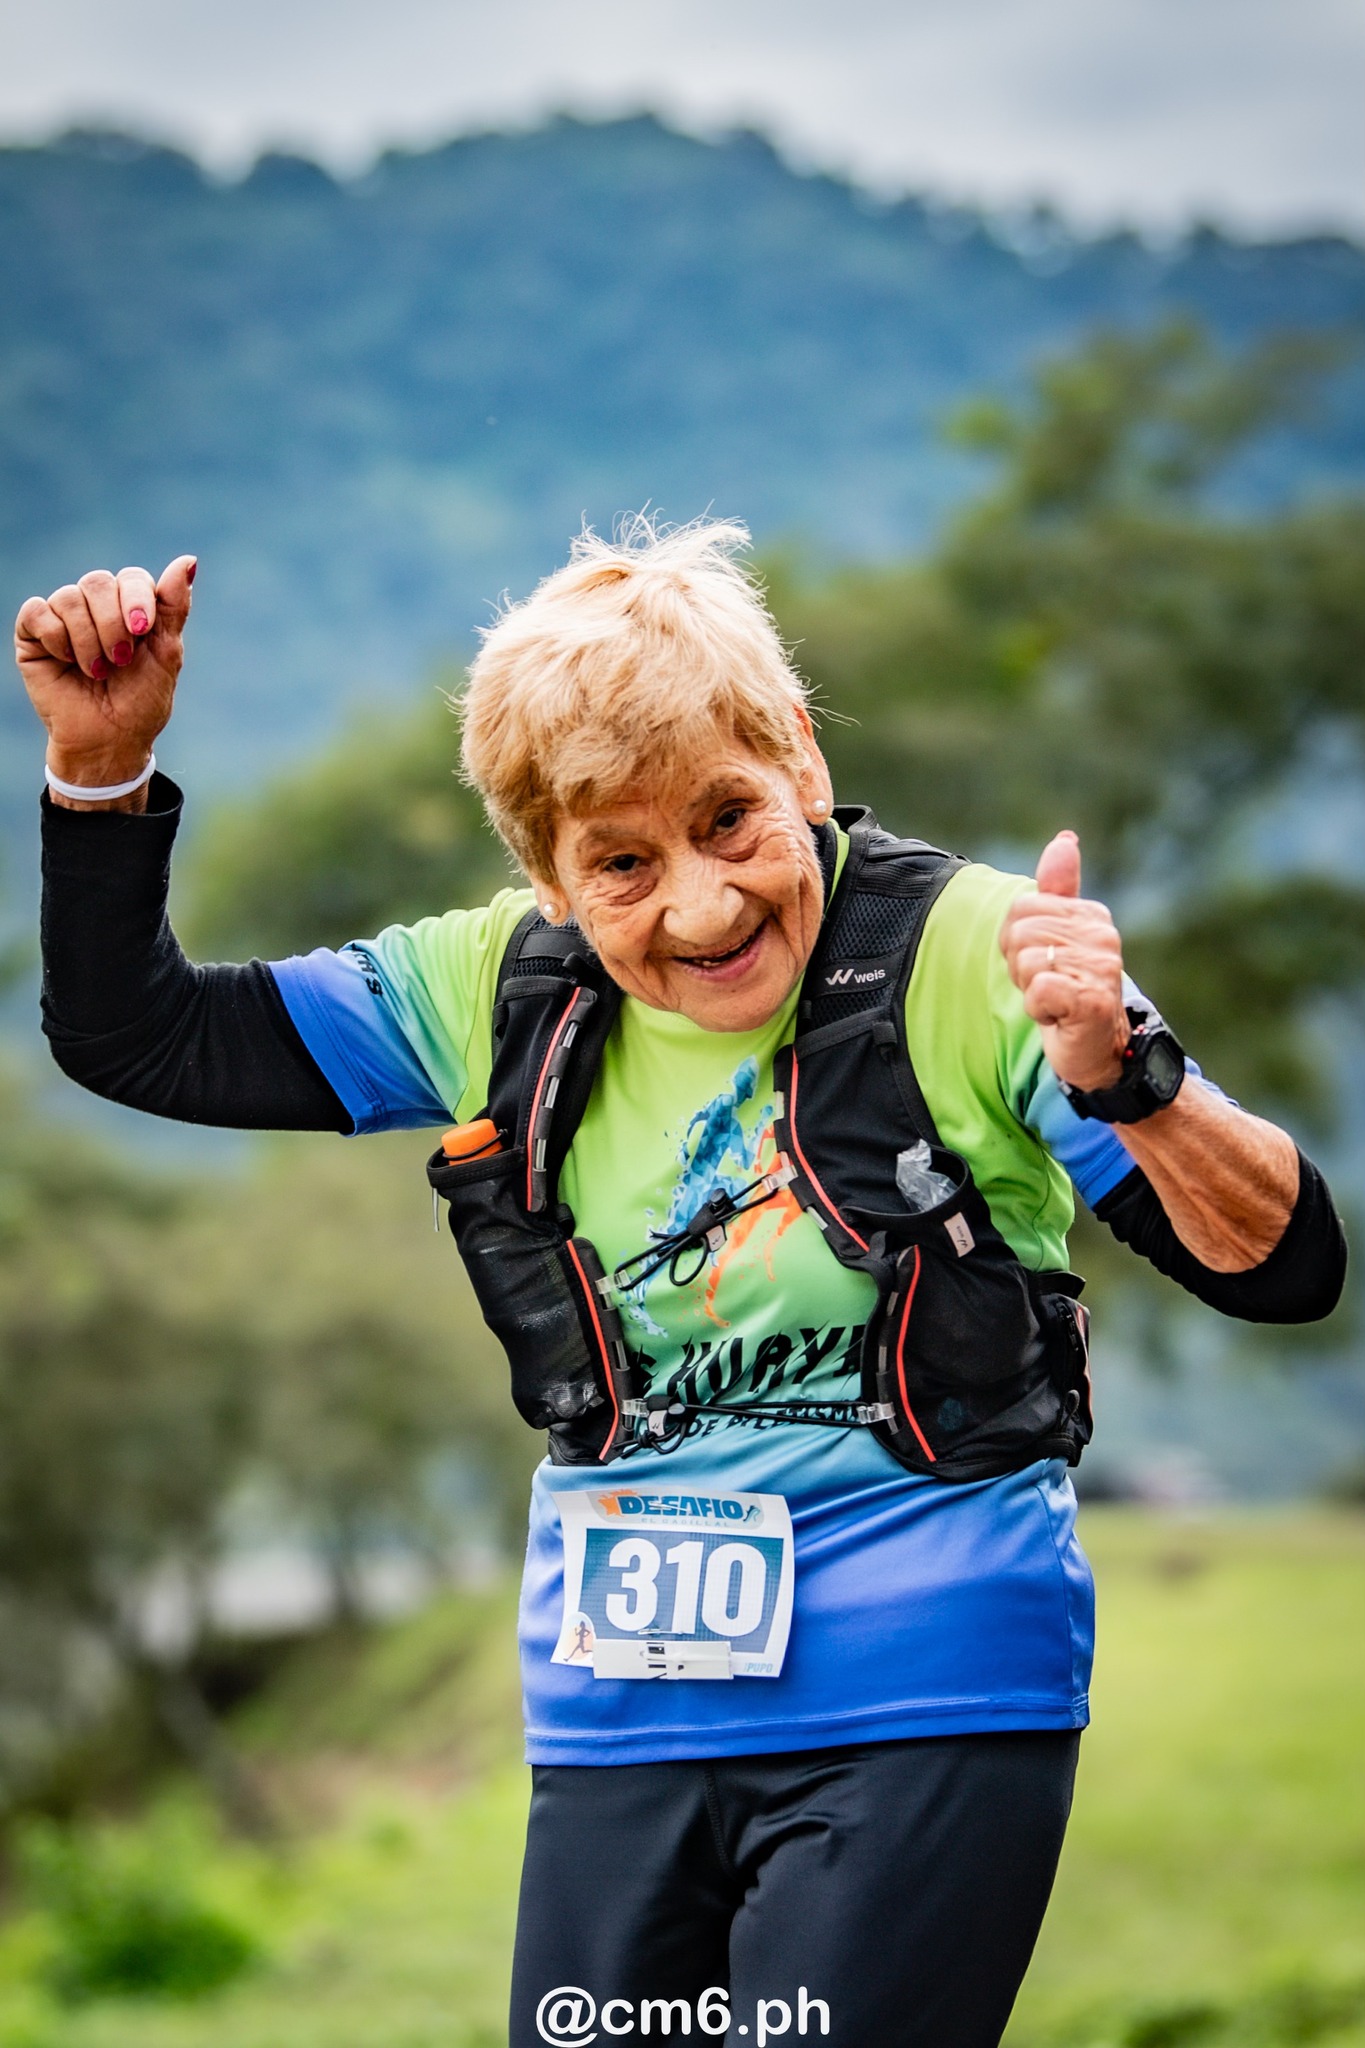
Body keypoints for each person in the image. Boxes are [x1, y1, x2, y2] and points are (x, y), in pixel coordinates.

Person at [17, 522, 1345, 2048]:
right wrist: (102, 777)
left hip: (924, 1697)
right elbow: (142, 1036)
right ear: (548, 877)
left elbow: (1281, 1266)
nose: (704, 908)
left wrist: (1128, 1077)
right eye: (624, 866)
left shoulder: (979, 952)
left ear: (793, 754)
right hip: (617, 1715)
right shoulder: (495, 989)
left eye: (731, 821)